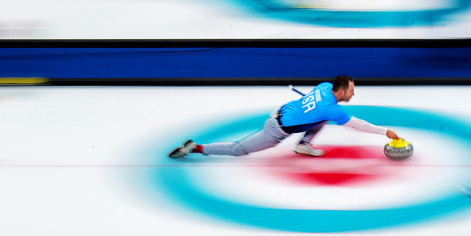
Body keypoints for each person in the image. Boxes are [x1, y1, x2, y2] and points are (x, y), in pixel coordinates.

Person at [167, 75, 401, 160]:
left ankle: (303, 144)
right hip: (275, 129)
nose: (353, 93)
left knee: (321, 118)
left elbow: (316, 108)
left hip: (283, 111)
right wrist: (385, 131)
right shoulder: (334, 110)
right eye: (351, 90)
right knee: (239, 149)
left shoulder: (325, 85)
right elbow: (358, 125)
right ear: (340, 92)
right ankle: (196, 148)